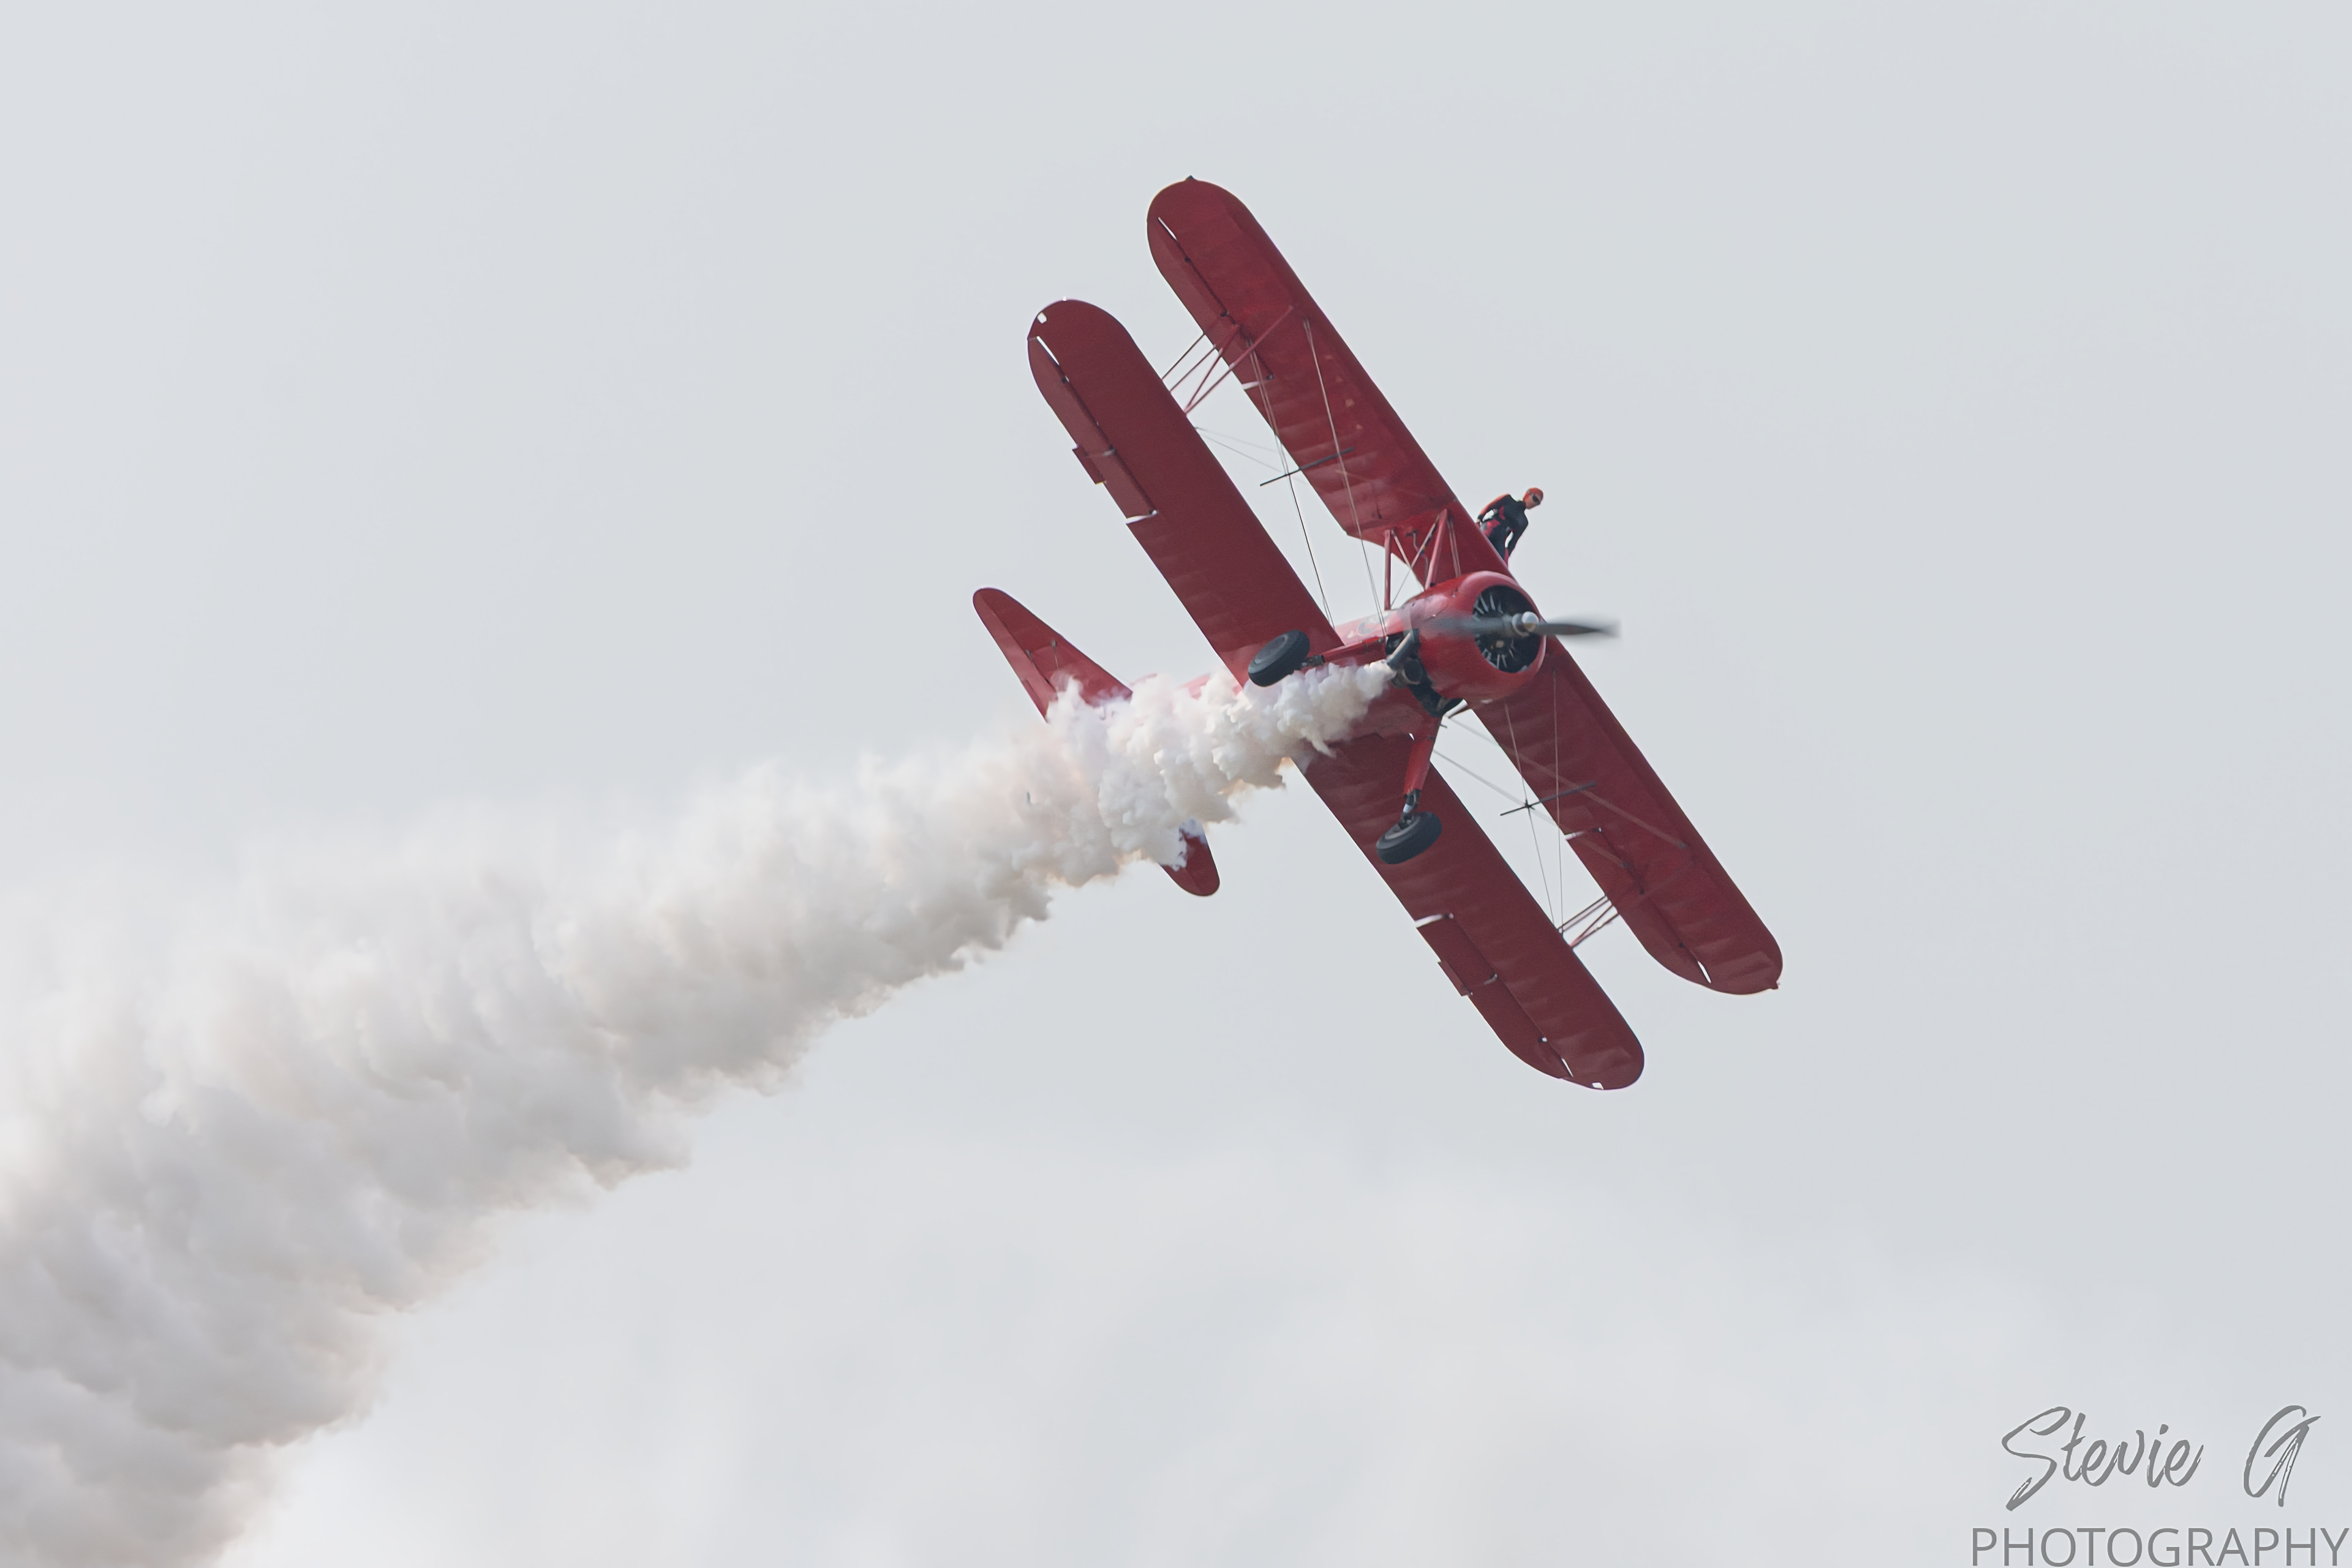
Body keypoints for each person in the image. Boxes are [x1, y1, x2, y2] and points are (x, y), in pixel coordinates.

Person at [1479, 487, 1543, 557]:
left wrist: (1507, 556)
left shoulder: (1524, 522)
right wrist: (1478, 521)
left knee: (1502, 558)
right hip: (1488, 529)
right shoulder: (1508, 500)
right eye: (1535, 499)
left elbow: (1513, 542)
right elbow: (1489, 507)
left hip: (1500, 540)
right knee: (1481, 540)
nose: (1535, 503)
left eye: (1538, 503)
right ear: (1528, 494)